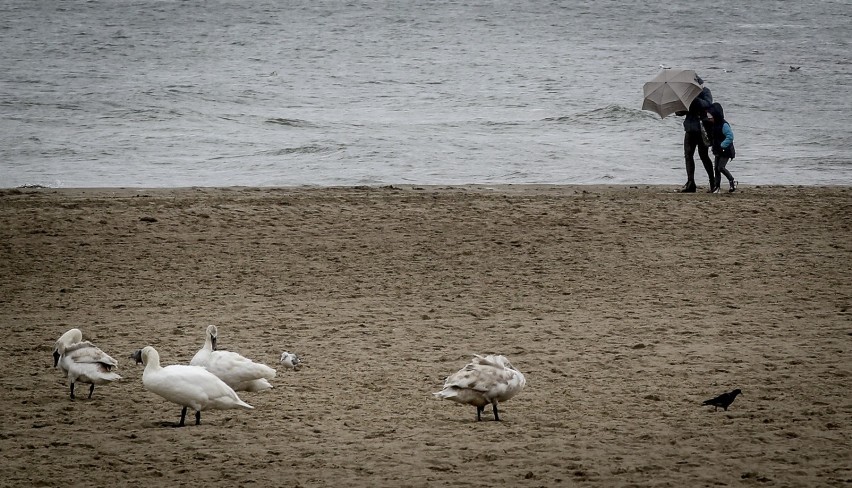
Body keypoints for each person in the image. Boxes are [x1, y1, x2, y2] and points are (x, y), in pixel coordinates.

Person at [675, 76, 715, 193]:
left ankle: (713, 183)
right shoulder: (686, 95)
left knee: (704, 156)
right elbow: (679, 112)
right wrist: (683, 106)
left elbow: (708, 104)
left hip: (702, 129)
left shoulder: (705, 92)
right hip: (690, 129)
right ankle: (691, 183)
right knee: (688, 155)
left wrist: (694, 100)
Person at [703, 102, 737, 193]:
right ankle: (717, 187)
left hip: (726, 151)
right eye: (709, 118)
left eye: (711, 118)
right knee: (716, 169)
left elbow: (730, 136)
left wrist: (722, 145)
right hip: (718, 150)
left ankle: (731, 180)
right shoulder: (714, 124)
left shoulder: (724, 125)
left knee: (721, 167)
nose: (710, 120)